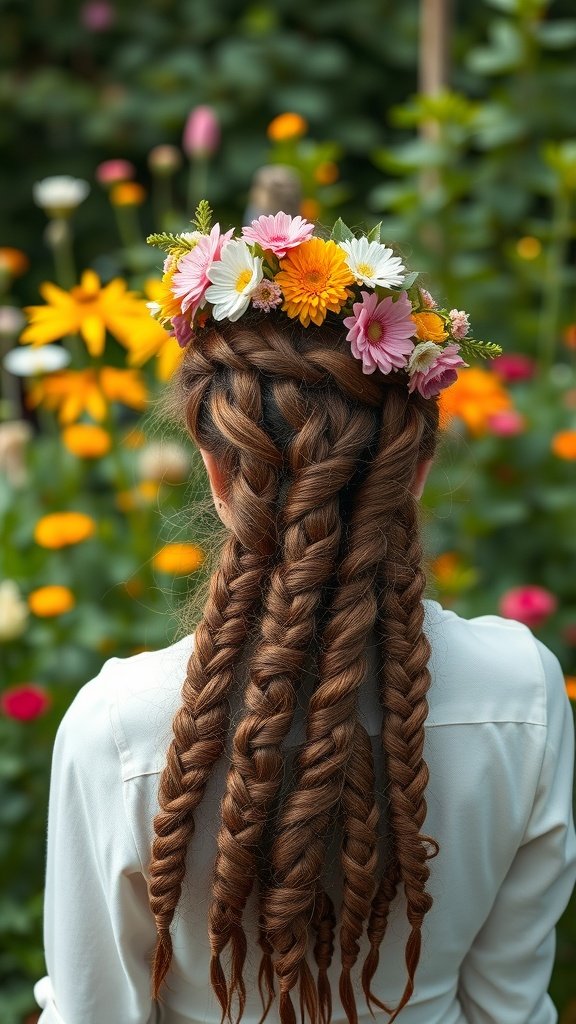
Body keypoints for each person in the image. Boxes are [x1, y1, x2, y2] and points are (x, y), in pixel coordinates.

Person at [34, 207, 576, 1024]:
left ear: (218, 474)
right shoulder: (524, 693)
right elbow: (509, 1006)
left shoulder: (119, 728)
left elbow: (95, 1012)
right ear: (415, 469)